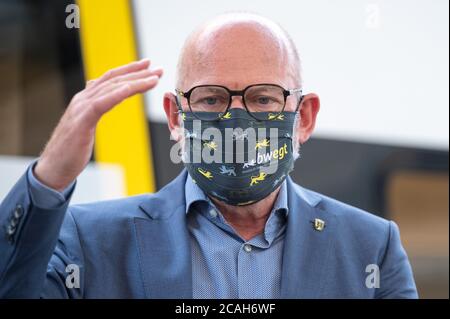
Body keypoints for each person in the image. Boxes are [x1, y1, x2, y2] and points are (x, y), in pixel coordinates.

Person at [0, 13, 417, 298]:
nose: (236, 119)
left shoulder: (370, 248)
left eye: (262, 97)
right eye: (212, 97)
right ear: (176, 117)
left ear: (303, 117)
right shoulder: (89, 241)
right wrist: (50, 177)